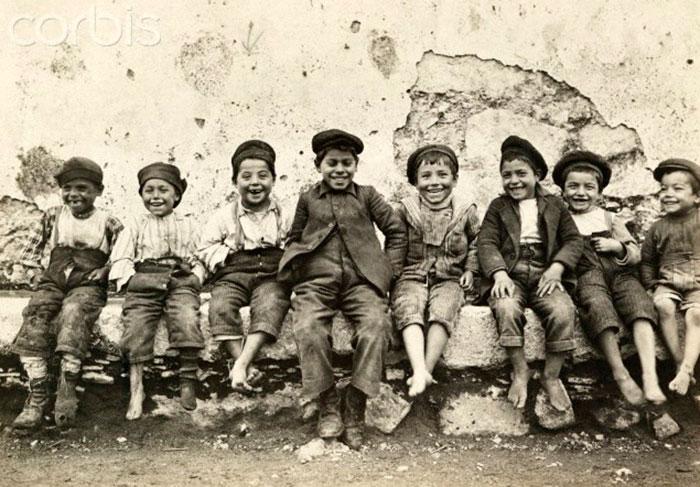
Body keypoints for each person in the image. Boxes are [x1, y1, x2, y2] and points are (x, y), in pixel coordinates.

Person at [277, 129, 406, 449]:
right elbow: (295, 237)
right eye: (332, 163)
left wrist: (388, 271)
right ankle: (329, 404)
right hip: (316, 282)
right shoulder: (308, 198)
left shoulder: (368, 195)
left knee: (376, 326)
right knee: (307, 327)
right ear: (318, 165)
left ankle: (355, 407)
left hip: (361, 282)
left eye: (346, 163)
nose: (339, 170)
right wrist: (297, 271)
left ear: (356, 165)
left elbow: (396, 232)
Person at [10, 156, 123, 430]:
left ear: (98, 191)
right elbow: (28, 251)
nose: (74, 194)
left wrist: (107, 269)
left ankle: (66, 388)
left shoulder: (108, 222)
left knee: (74, 313)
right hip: (52, 281)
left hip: (87, 285)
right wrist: (33, 272)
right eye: (68, 188)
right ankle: (37, 396)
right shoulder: (52, 215)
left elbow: (124, 255)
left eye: (83, 188)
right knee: (37, 315)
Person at [477, 136, 582, 411]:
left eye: (521, 174)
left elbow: (573, 240)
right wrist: (499, 274)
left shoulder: (555, 205)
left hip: (545, 271)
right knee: (507, 307)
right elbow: (486, 242)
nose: (514, 181)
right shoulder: (498, 207)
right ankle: (520, 370)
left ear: (537, 175)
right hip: (511, 271)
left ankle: (551, 375)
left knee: (562, 310)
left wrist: (557, 268)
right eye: (506, 175)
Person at [553, 150, 665, 405]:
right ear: (563, 190)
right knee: (597, 306)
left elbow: (635, 253)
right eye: (573, 186)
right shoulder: (562, 221)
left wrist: (618, 247)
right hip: (587, 275)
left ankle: (649, 374)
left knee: (640, 305)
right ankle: (620, 372)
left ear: (599, 192)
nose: (581, 192)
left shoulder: (609, 218)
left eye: (588, 187)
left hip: (621, 273)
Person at [110, 162, 205, 420]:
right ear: (141, 195)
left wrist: (197, 276)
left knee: (186, 316)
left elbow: (201, 257)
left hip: (179, 279)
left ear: (176, 195)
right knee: (137, 325)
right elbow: (121, 258)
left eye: (163, 190)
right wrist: (132, 281)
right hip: (145, 281)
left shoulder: (189, 224)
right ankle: (136, 389)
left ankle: (187, 379)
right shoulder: (136, 224)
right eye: (148, 191)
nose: (156, 197)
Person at [198, 140, 291, 393]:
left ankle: (240, 364)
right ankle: (243, 364)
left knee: (272, 303)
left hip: (270, 275)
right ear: (234, 182)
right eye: (246, 176)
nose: (255, 183)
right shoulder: (223, 216)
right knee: (220, 306)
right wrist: (227, 255)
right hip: (233, 274)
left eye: (263, 175)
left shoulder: (285, 215)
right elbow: (204, 249)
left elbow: (297, 244)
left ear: (273, 179)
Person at [391, 144, 480, 397]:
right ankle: (419, 368)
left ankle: (425, 371)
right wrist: (392, 277)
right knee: (408, 305)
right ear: (415, 181)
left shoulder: (465, 211)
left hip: (450, 277)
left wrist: (471, 270)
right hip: (413, 275)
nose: (434, 183)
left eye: (442, 175)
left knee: (444, 308)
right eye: (426, 176)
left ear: (455, 179)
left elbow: (477, 242)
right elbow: (396, 244)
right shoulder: (405, 210)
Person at [640, 158, 700, 400]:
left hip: (698, 281)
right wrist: (650, 286)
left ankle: (687, 368)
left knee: (696, 314)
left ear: (696, 197)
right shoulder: (657, 228)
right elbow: (647, 262)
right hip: (668, 281)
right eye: (663, 189)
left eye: (677, 188)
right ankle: (680, 365)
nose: (668, 194)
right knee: (663, 306)